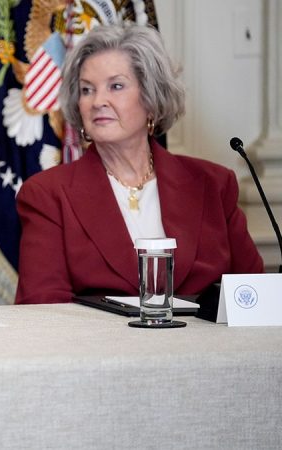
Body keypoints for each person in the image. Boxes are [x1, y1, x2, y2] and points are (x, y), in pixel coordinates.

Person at [15, 23, 263, 304]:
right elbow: (43, 308)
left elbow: (254, 296)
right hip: (96, 335)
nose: (98, 101)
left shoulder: (213, 184)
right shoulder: (47, 194)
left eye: (116, 86)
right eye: (86, 90)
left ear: (151, 97)